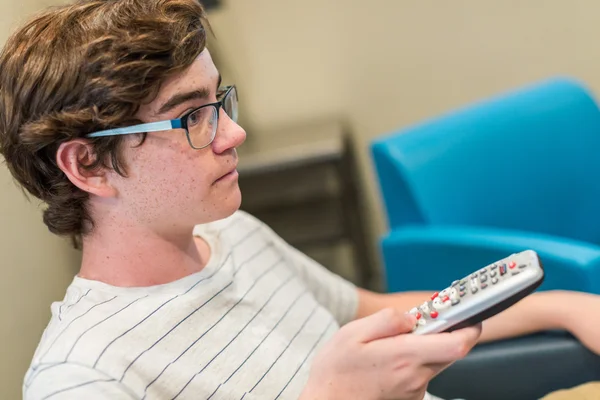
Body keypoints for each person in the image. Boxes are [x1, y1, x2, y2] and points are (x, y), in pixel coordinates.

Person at [0, 1, 598, 399]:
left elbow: (383, 313)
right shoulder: (83, 378)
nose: (231, 134)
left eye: (218, 100)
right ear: (88, 165)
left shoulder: (234, 236)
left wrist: (565, 307)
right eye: (190, 117)